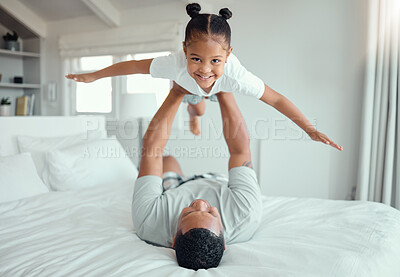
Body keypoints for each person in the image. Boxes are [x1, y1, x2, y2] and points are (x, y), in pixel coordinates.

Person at [66, 3, 343, 151]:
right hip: (185, 87)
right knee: (196, 105)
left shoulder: (235, 74)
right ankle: (194, 116)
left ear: (229, 55)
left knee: (215, 95)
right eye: (196, 58)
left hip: (221, 89)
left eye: (215, 61)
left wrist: (309, 129)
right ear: (184, 50)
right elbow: (132, 66)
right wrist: (94, 76)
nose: (205, 69)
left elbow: (276, 99)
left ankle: (198, 110)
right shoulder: (173, 64)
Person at [132, 82, 262, 270]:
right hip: (218, 184)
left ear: (174, 238)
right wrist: (225, 92)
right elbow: (239, 151)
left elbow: (152, 150)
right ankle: (196, 110)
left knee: (166, 160)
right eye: (210, 213)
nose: (200, 203)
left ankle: (194, 110)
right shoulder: (245, 213)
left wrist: (177, 91)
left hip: (176, 189)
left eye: (189, 213)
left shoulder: (148, 221)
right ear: (224, 239)